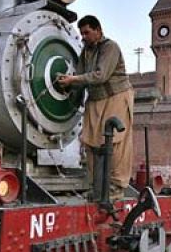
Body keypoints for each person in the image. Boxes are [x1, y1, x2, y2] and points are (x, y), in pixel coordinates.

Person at [57, 15, 134, 200]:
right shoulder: (85, 51)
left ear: (98, 30)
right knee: (90, 142)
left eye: (87, 32)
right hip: (95, 100)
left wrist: (73, 80)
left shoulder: (110, 47)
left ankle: (115, 187)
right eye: (81, 33)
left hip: (116, 97)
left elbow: (100, 75)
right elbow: (80, 76)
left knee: (115, 142)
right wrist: (67, 85)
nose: (83, 36)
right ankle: (96, 186)